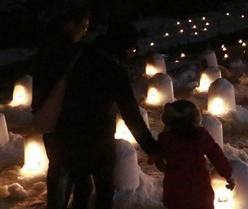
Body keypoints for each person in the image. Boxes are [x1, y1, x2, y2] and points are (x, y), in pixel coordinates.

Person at [33, 19, 163, 209]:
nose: (132, 52)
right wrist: (152, 148)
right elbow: (131, 114)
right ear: (122, 45)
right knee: (103, 191)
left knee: (80, 188)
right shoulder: (114, 71)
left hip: (63, 138)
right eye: (130, 48)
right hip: (96, 143)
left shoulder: (76, 55)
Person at [30, 0, 93, 209]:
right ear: (69, 24)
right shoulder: (66, 52)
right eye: (82, 26)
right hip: (65, 119)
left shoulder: (48, 47)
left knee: (59, 167)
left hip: (50, 117)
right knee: (65, 170)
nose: (84, 32)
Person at [158, 99, 235, 209]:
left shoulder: (166, 138)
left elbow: (157, 153)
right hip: (199, 191)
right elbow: (216, 155)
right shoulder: (200, 136)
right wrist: (228, 175)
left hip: (174, 191)